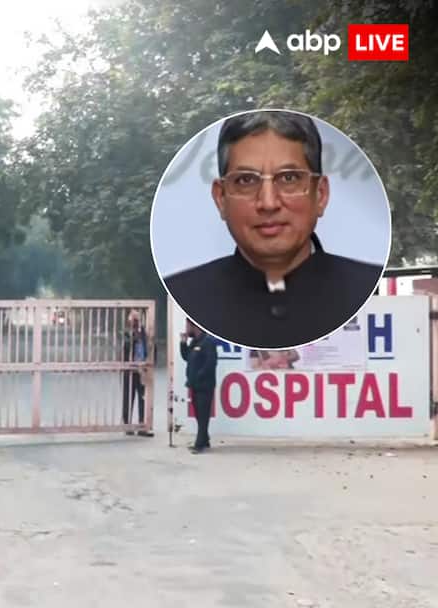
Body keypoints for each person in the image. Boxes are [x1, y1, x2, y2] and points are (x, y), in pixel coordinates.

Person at [164, 110, 383, 349]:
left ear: (320, 194)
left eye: (289, 178)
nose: (268, 203)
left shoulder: (366, 287)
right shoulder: (185, 294)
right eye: (246, 180)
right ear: (221, 199)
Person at [180, 319, 218, 453]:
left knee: (203, 415)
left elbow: (210, 364)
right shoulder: (194, 342)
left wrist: (198, 376)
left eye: (187, 326)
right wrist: (183, 343)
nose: (186, 330)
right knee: (198, 414)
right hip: (195, 385)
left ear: (194, 326)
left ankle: (199, 444)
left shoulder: (208, 342)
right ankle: (205, 439)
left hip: (204, 385)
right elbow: (187, 357)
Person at [121, 310, 153, 436]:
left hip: (142, 370)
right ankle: (127, 424)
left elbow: (150, 346)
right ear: (129, 321)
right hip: (130, 369)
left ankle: (142, 425)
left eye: (137, 320)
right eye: (133, 320)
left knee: (143, 397)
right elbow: (126, 347)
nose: (135, 322)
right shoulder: (126, 333)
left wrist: (150, 361)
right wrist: (133, 337)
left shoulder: (144, 333)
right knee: (128, 397)